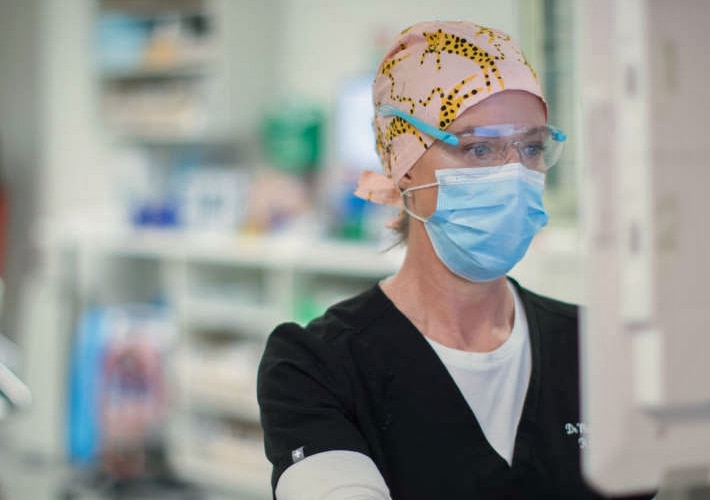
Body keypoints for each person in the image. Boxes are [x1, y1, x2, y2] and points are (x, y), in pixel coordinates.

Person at [257, 20, 655, 500]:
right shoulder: (316, 366)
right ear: (401, 166)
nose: (513, 174)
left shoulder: (597, 347)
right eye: (479, 148)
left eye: (531, 147)